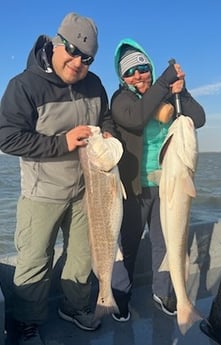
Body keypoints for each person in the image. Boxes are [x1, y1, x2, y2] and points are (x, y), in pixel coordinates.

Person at [0, 13, 116, 345]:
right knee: (35, 259)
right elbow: (6, 137)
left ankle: (74, 307)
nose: (79, 62)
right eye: (73, 50)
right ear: (56, 42)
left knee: (81, 256)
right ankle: (26, 320)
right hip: (42, 192)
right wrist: (62, 142)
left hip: (86, 192)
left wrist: (107, 133)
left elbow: (105, 115)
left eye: (88, 58)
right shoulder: (23, 86)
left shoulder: (94, 84)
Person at [110, 38, 206, 321]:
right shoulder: (121, 100)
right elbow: (136, 118)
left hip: (167, 186)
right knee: (127, 245)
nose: (138, 75)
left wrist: (182, 92)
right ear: (122, 77)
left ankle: (163, 292)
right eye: (130, 72)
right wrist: (164, 82)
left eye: (142, 68)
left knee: (164, 243)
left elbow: (198, 119)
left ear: (149, 67)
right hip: (134, 187)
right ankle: (120, 296)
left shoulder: (165, 95)